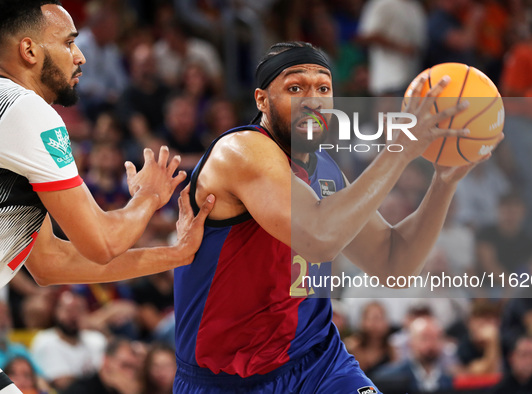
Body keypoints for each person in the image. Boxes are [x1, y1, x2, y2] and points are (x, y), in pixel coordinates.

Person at [175, 41, 490, 392]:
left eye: (323, 88)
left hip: (319, 364)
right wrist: (400, 150)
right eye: (295, 88)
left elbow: (394, 262)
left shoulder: (325, 168)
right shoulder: (240, 151)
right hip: (228, 381)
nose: (313, 99)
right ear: (262, 100)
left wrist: (443, 183)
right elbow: (318, 239)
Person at [0, 2, 214, 391]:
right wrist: (148, 198)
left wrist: (177, 254)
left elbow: (51, 263)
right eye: (68, 43)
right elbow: (101, 242)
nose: (80, 57)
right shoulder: (25, 111)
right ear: (29, 51)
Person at [61, 337, 143, 394]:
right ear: (106, 361)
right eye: (125, 365)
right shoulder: (81, 390)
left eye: (134, 368)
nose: (131, 374)